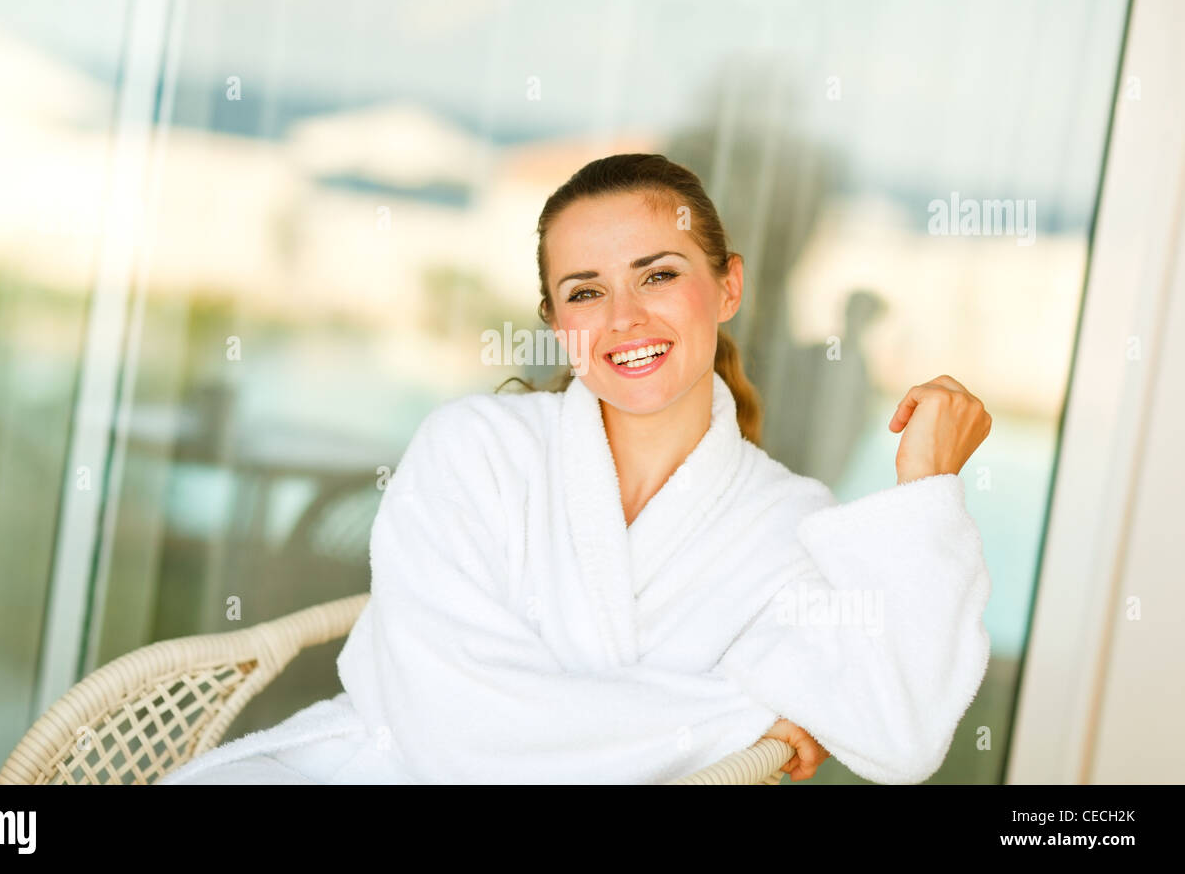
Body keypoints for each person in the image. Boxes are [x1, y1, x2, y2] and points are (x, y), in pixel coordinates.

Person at [160, 153, 992, 785]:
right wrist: (747, 711)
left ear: (728, 286)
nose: (625, 318)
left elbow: (900, 732)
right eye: (586, 292)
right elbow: (456, 732)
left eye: (659, 275)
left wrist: (926, 496)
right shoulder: (475, 449)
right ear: (557, 322)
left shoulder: (788, 523)